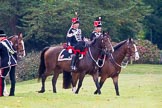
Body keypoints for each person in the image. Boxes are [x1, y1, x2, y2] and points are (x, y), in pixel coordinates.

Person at [0, 30, 17, 96]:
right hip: (13, 62)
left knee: (1, 77)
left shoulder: (1, 44)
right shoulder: (10, 43)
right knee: (12, 78)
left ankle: (1, 93)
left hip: (5, 64)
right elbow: (14, 52)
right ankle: (12, 93)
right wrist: (15, 61)